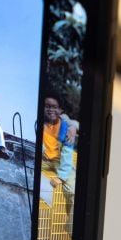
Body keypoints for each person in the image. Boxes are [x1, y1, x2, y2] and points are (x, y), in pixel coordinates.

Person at [39, 93, 78, 232]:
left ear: (60, 110)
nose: (50, 109)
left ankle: (72, 229)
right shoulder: (38, 123)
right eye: (47, 106)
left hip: (60, 162)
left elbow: (67, 156)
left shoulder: (66, 128)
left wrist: (60, 177)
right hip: (43, 159)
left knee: (73, 191)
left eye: (54, 107)